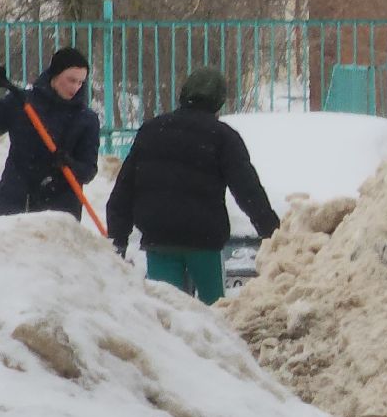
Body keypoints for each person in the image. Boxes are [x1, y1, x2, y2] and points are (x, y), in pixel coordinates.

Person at [106, 68, 280, 305]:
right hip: (204, 240)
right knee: (214, 311)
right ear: (218, 100)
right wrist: (271, 230)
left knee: (169, 312)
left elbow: (124, 187)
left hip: (160, 237)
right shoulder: (223, 137)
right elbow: (247, 188)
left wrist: (117, 238)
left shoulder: (152, 130)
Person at [0, 47, 101, 218]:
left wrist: (69, 163)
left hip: (59, 212)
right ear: (55, 75)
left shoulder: (86, 119)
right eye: (71, 80)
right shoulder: (22, 104)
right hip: (14, 201)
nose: (75, 87)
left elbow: (88, 170)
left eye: (80, 82)